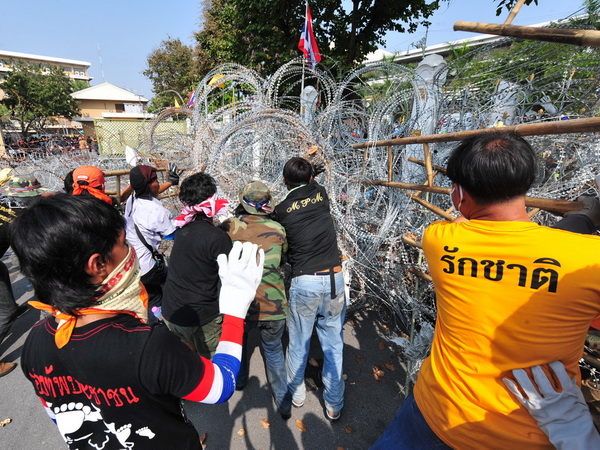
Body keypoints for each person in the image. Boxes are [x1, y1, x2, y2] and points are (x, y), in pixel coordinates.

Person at [371, 132, 600, 449]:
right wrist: (584, 219)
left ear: (460, 193)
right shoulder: (590, 261)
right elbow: (550, 252)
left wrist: (579, 222)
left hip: (433, 412)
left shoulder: (439, 240)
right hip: (528, 436)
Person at [12, 194, 264, 449]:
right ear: (98, 264)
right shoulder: (146, 345)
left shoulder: (35, 343)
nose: (132, 250)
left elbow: (59, 417)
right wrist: (234, 311)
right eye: (124, 242)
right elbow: (220, 385)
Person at [272, 157, 346, 421]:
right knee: (333, 342)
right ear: (312, 178)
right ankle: (334, 402)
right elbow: (313, 181)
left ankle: (297, 394)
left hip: (305, 280)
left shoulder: (280, 210)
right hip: (334, 278)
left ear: (284, 181)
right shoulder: (321, 193)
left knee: (299, 342)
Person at [223, 181, 289, 418]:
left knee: (238, 344)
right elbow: (282, 260)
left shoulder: (229, 226)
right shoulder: (278, 229)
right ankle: (283, 400)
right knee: (273, 352)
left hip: (241, 304)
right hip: (274, 305)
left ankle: (239, 381)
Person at [161, 173, 232, 359]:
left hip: (172, 310)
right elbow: (229, 278)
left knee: (181, 364)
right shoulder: (217, 238)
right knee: (211, 365)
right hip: (203, 316)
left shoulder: (181, 231)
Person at [124, 164, 180, 323]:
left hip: (132, 262)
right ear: (147, 185)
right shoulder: (156, 211)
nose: (158, 183)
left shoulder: (132, 199)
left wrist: (170, 183)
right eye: (155, 180)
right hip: (147, 268)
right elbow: (171, 235)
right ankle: (159, 325)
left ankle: (153, 318)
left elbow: (153, 191)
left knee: (151, 293)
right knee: (163, 292)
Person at [0, 176, 39, 377]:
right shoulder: (19, 219)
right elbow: (21, 258)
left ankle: (11, 307)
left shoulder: (3, 201)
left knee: (3, 271)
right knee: (5, 315)